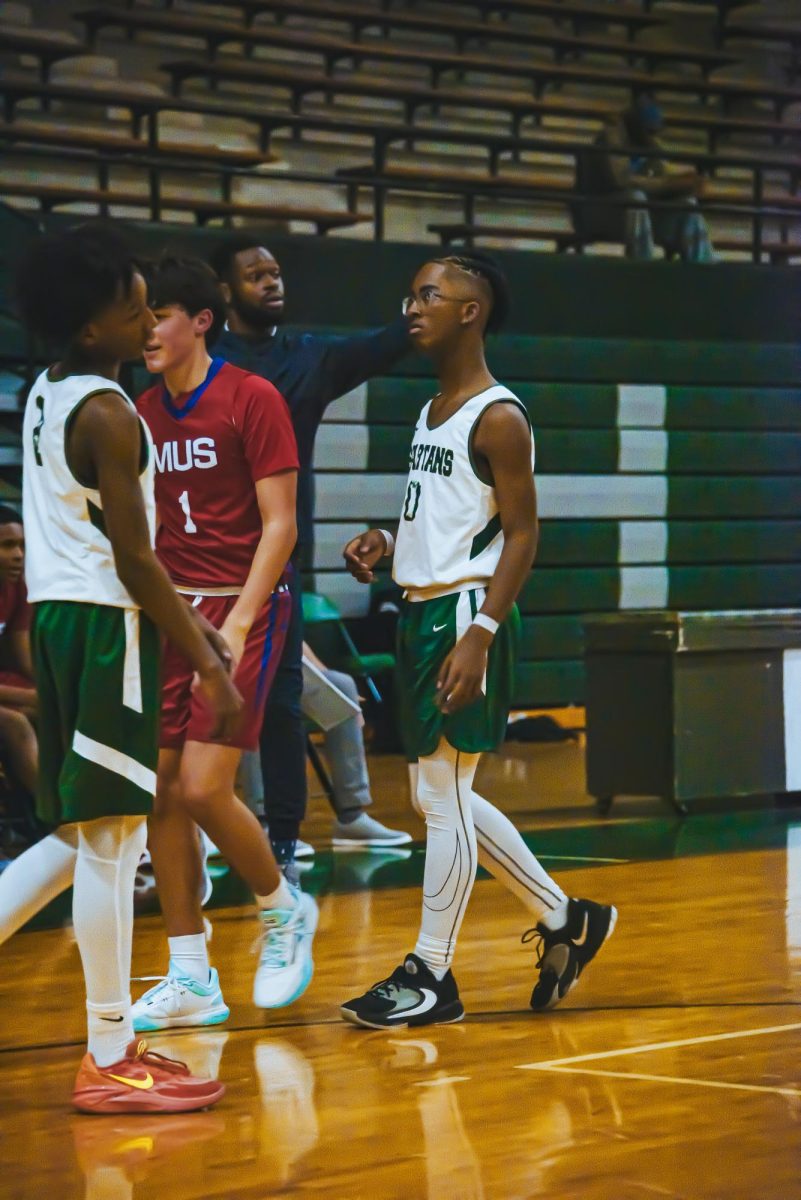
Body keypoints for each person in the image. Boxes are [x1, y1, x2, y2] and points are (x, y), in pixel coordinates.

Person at [339, 252, 617, 1028]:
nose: (412, 305)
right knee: (441, 794)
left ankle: (431, 973)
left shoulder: (500, 414)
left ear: (471, 311)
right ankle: (567, 918)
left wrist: (482, 632)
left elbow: (522, 536)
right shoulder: (432, 409)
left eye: (429, 293)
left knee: (443, 794)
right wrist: (385, 543)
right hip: (420, 611)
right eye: (410, 292)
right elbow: (451, 516)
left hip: (465, 614)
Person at [0, 223, 240, 1110]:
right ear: (90, 323)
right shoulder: (111, 411)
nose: (148, 319)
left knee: (76, 839)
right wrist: (204, 660)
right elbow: (136, 561)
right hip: (106, 628)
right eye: (132, 307)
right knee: (111, 842)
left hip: (64, 619)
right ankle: (109, 1055)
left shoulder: (49, 388)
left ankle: (114, 1048)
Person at [132, 256, 316, 1031]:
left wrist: (238, 620)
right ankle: (190, 975)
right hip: (173, 612)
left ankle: (284, 911)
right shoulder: (139, 410)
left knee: (207, 787)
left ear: (201, 320)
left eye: (160, 316)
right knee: (161, 793)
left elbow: (282, 524)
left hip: (243, 605)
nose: (147, 331)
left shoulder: (252, 396)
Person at [210, 236, 410, 871]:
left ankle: (283, 843)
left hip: (278, 565)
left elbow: (383, 344)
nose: (272, 282)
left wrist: (424, 309)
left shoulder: (309, 359)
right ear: (223, 292)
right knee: (210, 700)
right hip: (206, 563)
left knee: (283, 703)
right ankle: (204, 826)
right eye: (255, 275)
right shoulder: (204, 364)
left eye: (276, 272)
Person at [573, 96, 716, 262]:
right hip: (597, 211)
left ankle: (703, 265)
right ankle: (642, 265)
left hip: (633, 217)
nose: (652, 137)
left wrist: (685, 184)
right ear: (635, 126)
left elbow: (663, 175)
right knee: (636, 198)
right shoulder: (611, 138)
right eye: (649, 131)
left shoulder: (650, 143)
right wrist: (668, 184)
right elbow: (621, 181)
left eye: (655, 132)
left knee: (688, 205)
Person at [301, 641, 412, 848]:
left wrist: (331, 688)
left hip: (280, 665)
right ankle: (266, 823)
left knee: (342, 685)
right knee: (259, 694)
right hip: (241, 668)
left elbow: (293, 638)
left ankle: (351, 816)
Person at [0, 505, 37, 799]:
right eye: (7, 545)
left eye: (22, 545)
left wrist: (58, 688)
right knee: (16, 722)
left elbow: (24, 656)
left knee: (56, 711)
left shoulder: (16, 587)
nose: (18, 555)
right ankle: (63, 821)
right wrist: (31, 696)